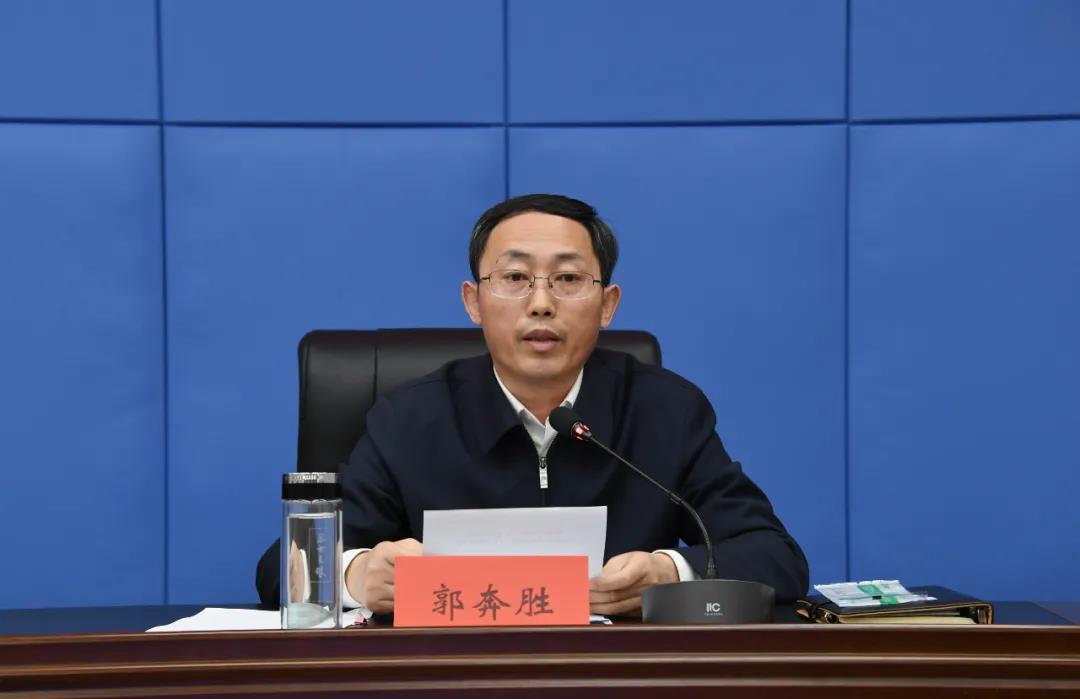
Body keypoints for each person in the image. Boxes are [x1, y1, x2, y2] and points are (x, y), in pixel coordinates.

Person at [257, 193, 808, 615]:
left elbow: (775, 557)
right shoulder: (410, 419)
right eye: (515, 278)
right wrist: (356, 576)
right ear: (474, 301)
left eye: (568, 278)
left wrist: (669, 572)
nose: (541, 303)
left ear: (607, 304)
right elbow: (281, 569)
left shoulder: (666, 411)